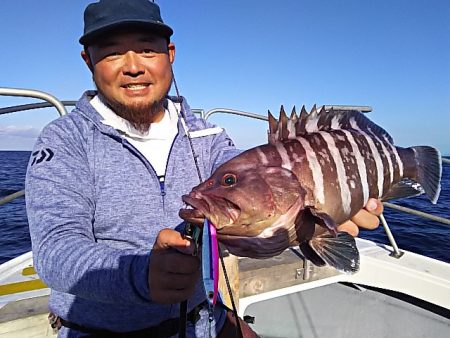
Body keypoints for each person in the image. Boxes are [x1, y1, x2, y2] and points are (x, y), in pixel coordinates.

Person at [25, 0, 383, 337]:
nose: (133, 65)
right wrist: (141, 276)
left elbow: (254, 191)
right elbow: (56, 249)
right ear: (89, 61)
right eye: (113, 51)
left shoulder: (209, 137)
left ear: (170, 55)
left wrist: (318, 218)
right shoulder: (64, 141)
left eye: (147, 48)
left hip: (203, 321)